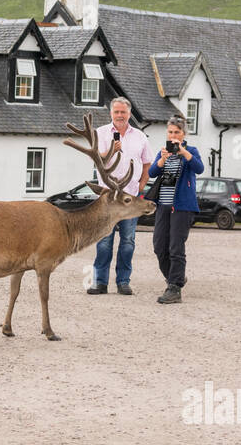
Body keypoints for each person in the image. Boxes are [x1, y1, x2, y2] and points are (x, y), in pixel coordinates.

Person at [87, 98, 153, 296]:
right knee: (104, 240)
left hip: (130, 199)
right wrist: (110, 151)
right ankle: (100, 282)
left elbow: (147, 163)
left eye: (123, 112)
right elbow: (96, 158)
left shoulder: (140, 137)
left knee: (128, 241)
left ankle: (123, 281)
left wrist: (141, 185)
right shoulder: (100, 133)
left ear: (129, 114)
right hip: (107, 198)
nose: (120, 115)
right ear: (111, 114)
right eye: (116, 112)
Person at [146, 116, 203, 304]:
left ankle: (175, 287)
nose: (173, 136)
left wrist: (184, 152)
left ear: (183, 134)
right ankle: (175, 277)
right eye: (170, 132)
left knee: (176, 247)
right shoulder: (163, 152)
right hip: (163, 205)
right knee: (159, 245)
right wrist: (162, 159)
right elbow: (152, 173)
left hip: (182, 206)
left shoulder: (191, 151)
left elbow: (199, 168)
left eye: (177, 132)